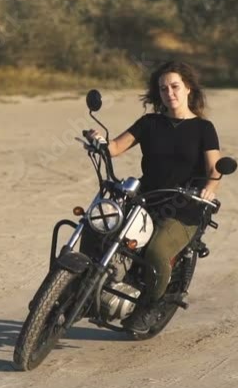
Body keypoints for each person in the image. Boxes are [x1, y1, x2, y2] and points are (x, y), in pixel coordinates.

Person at [87, 60, 223, 333]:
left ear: (188, 89)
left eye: (175, 86)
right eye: (163, 89)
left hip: (184, 206)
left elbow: (215, 170)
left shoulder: (203, 129)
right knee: (98, 227)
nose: (169, 93)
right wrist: (99, 140)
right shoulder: (150, 123)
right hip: (146, 200)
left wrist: (209, 188)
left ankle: (152, 305)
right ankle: (79, 289)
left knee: (157, 251)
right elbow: (114, 148)